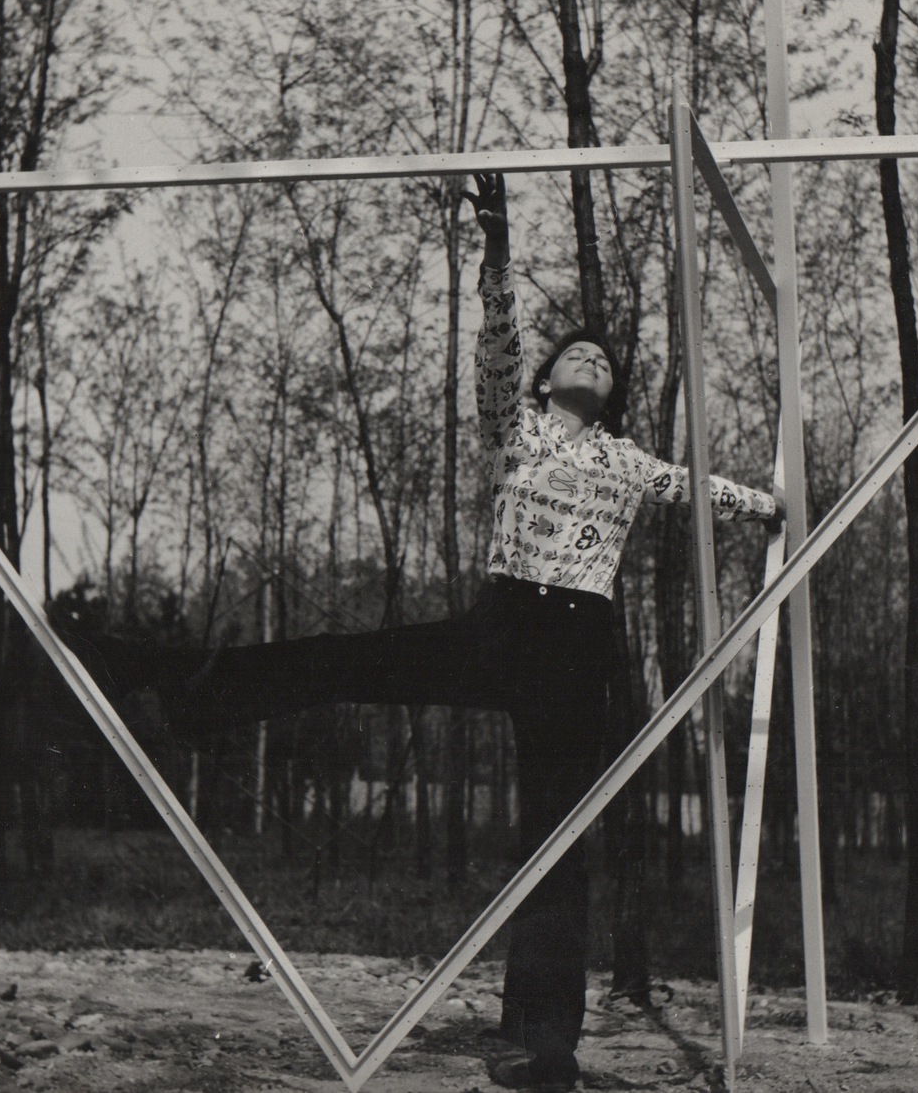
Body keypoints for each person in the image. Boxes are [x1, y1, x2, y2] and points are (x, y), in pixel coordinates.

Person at [113, 172, 781, 1092]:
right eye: (574, 354)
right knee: (353, 658)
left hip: (578, 646)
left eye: (602, 359)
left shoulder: (626, 460)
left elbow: (701, 489)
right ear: (548, 379)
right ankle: (195, 692)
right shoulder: (516, 425)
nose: (590, 360)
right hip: (502, 622)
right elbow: (498, 349)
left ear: (614, 391)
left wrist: (776, 504)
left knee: (558, 834)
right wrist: (498, 255)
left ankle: (547, 1040)